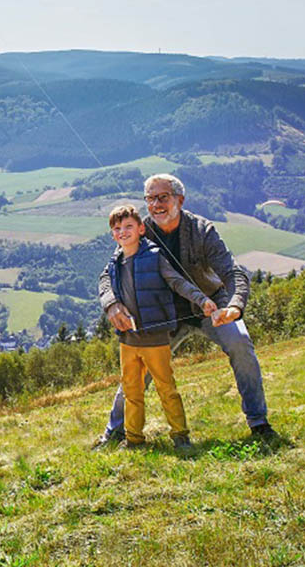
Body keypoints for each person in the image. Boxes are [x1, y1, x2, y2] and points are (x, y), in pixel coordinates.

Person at [94, 173, 276, 447]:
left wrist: (235, 305)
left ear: (180, 199)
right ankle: (115, 431)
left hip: (210, 307)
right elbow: (108, 274)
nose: (156, 205)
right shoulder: (141, 230)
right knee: (139, 368)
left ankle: (258, 422)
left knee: (239, 342)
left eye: (163, 197)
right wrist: (111, 303)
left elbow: (233, 272)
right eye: (150, 198)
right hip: (163, 316)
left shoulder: (202, 231)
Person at [104, 204, 215, 450]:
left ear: (141, 229)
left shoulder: (155, 256)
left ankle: (180, 435)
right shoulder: (114, 262)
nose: (123, 232)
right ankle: (133, 439)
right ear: (113, 235)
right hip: (128, 339)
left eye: (128, 226)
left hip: (155, 337)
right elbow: (107, 289)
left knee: (166, 387)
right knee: (131, 391)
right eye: (117, 229)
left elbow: (177, 282)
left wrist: (201, 299)